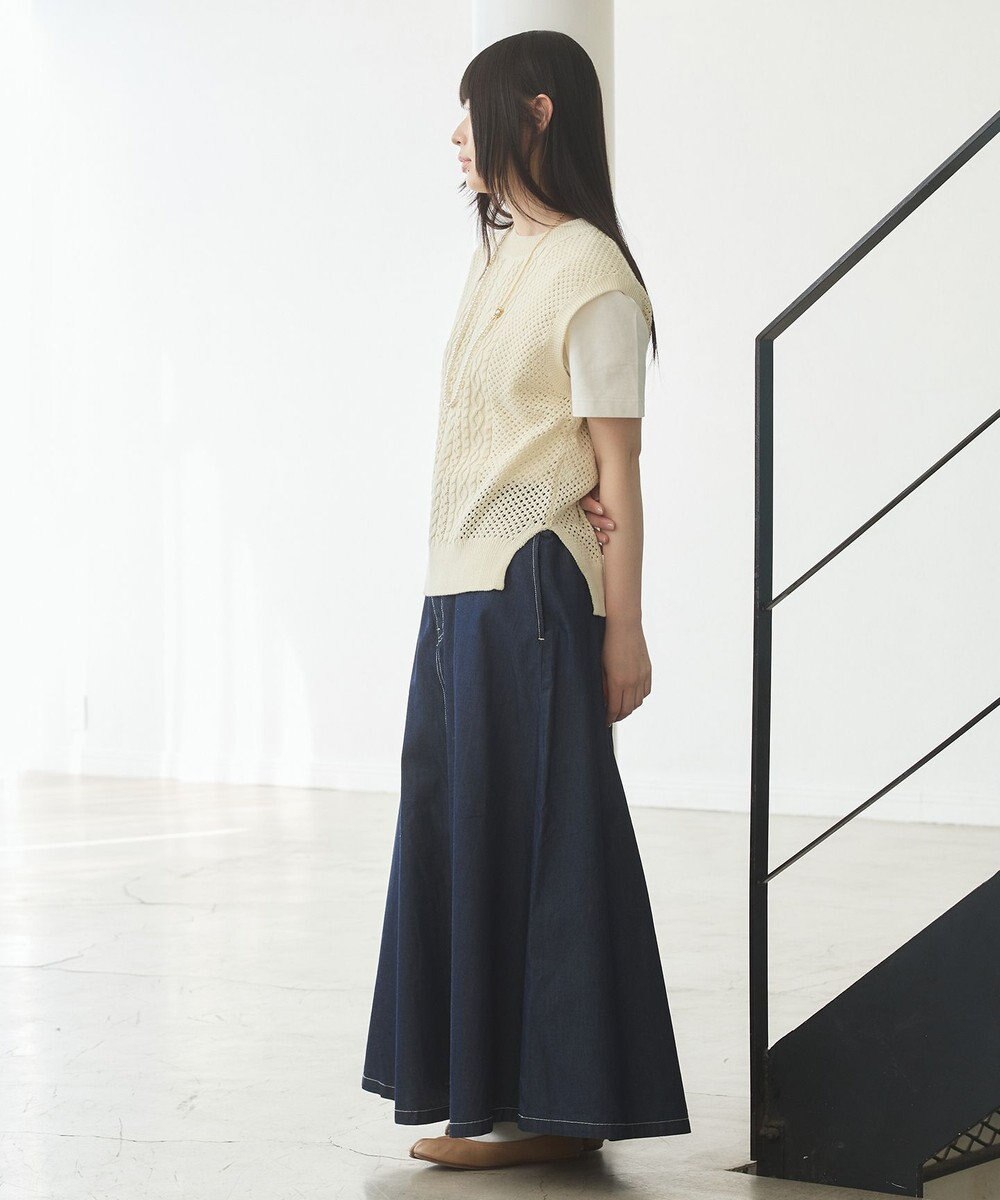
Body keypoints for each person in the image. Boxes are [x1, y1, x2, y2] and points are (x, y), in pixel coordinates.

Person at [360, 29, 691, 1170]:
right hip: (460, 594)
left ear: (536, 113)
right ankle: (501, 1098)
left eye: (475, 109)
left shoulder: (591, 273)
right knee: (460, 835)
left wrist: (624, 629)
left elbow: (617, 472)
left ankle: (557, 1113)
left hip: (532, 591)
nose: (457, 134)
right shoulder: (500, 257)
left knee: (546, 841)